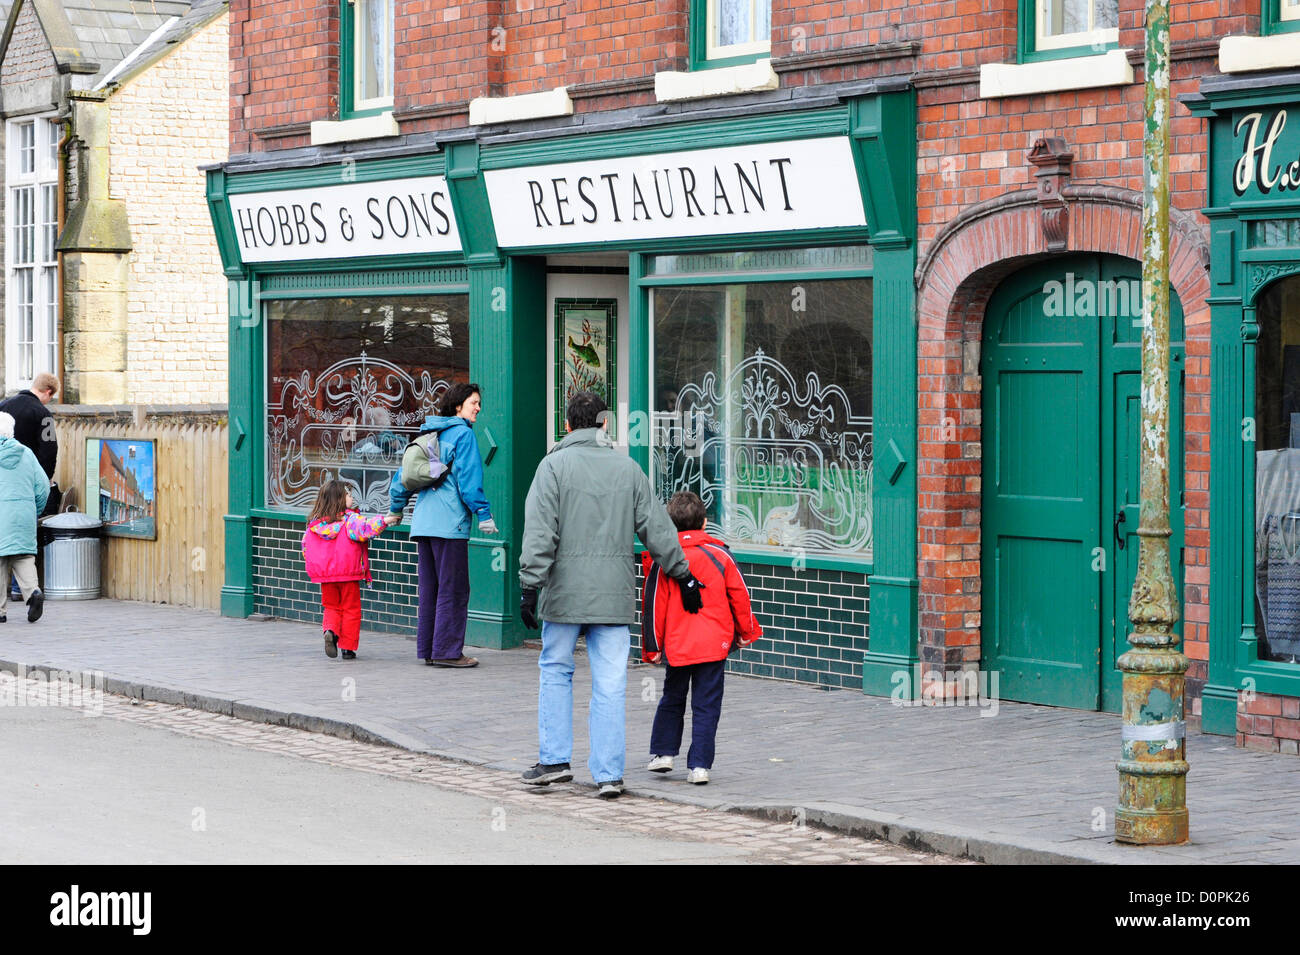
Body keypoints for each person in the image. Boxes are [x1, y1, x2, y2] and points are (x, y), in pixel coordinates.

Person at [518, 391, 705, 799]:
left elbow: (539, 531)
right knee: (610, 683)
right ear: (604, 423)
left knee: (555, 670)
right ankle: (608, 774)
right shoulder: (628, 470)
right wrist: (684, 575)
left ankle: (554, 761)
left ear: (567, 426)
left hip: (564, 595)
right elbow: (658, 530)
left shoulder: (552, 467)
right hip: (612, 596)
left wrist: (529, 584)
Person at [641, 491, 763, 785]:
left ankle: (664, 754)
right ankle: (699, 767)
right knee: (707, 706)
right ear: (705, 523)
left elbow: (652, 606)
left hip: (679, 644)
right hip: (714, 644)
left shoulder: (664, 561)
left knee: (672, 697)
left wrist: (652, 648)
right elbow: (740, 597)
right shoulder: (720, 554)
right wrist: (746, 633)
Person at [387, 383, 497, 668]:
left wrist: (396, 508)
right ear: (458, 406)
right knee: (454, 588)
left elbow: (403, 475)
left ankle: (429, 649)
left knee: (430, 588)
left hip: (423, 523)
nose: (478, 408)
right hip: (450, 524)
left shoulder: (429, 433)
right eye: (474, 402)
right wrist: (483, 514)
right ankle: (448, 652)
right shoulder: (463, 435)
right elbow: (469, 480)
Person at [302, 478, 396, 659]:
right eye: (349, 495)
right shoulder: (351, 520)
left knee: (331, 606)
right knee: (351, 609)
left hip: (326, 577)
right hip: (348, 574)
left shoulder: (315, 524)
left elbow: (305, 547)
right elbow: (367, 528)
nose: (352, 498)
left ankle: (330, 630)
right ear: (339, 499)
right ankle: (347, 648)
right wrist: (386, 520)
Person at [0, 373, 58, 597]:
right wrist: (45, 479)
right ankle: (20, 589)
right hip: (25, 486)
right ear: (48, 392)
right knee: (22, 543)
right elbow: (49, 450)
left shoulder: (4, 405)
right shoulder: (43, 414)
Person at [0, 412, 49, 624]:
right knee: (24, 558)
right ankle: (34, 593)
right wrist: (34, 509)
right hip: (24, 515)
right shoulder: (26, 453)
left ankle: (0, 611)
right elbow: (43, 487)